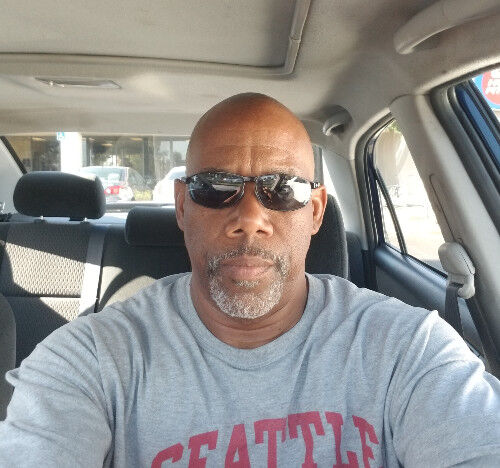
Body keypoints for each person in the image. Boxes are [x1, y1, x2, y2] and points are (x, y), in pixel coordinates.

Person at [0, 93, 499, 467]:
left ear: (315, 211)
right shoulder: (90, 359)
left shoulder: (408, 349)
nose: (250, 219)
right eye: (216, 186)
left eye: (283, 188)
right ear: (181, 207)